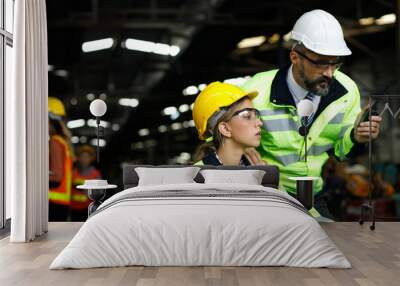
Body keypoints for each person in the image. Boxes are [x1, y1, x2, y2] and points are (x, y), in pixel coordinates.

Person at [241, 9, 382, 218]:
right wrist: (242, 157)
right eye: (320, 62)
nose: (329, 72)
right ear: (295, 57)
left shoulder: (346, 91)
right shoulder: (256, 91)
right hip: (265, 194)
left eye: (334, 63)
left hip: (313, 195)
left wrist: (356, 137)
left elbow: (342, 151)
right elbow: (223, 141)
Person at [192, 81, 263, 165]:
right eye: (247, 116)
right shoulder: (195, 176)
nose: (260, 123)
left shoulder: (256, 168)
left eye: (256, 115)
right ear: (225, 129)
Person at [48, 97, 74, 221]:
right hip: (61, 203)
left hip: (53, 203)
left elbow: (57, 176)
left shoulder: (55, 142)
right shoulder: (63, 142)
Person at [70, 145, 102, 221]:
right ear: (78, 158)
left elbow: (99, 193)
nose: (84, 159)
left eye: (87, 157)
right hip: (73, 210)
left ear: (91, 159)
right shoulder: (72, 173)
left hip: (87, 210)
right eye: (82, 156)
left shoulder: (95, 174)